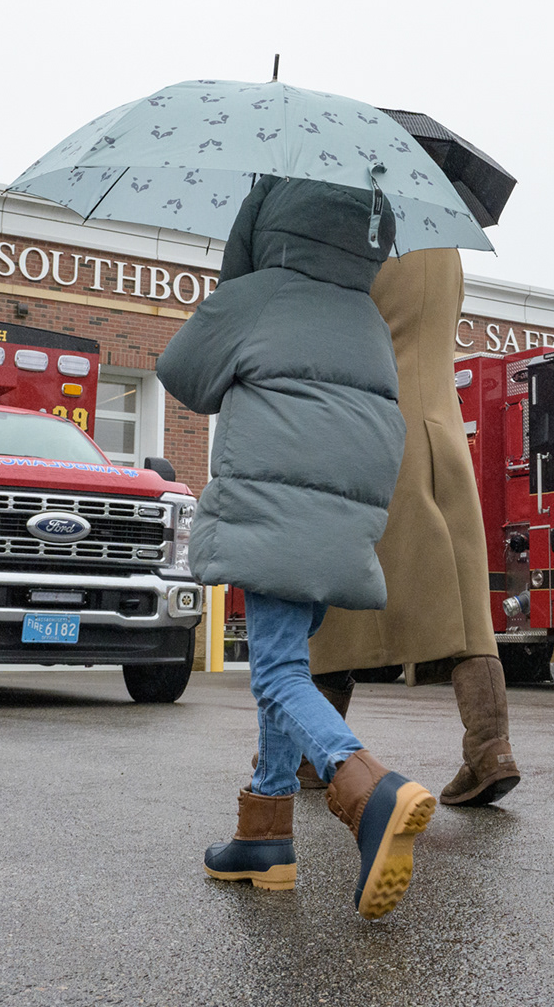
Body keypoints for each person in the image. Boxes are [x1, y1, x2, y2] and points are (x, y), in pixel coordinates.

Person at [157, 175, 435, 920]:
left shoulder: (260, 295)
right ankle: (266, 833)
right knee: (286, 665)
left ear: (270, 222)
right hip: (340, 525)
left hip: (274, 507)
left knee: (277, 672)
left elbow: (182, 373)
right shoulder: (366, 315)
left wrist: (235, 278)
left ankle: (368, 788)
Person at [309, 247, 522, 806]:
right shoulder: (445, 248)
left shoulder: (362, 236)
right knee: (463, 599)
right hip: (442, 426)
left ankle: (309, 750)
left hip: (374, 425)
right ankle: (490, 747)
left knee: (336, 593)